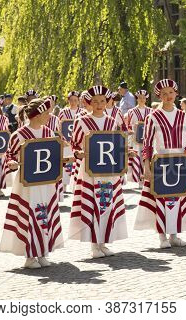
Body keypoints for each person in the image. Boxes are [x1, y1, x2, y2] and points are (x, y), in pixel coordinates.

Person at [135, 79, 186, 248]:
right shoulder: (153, 117)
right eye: (164, 94)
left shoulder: (183, 116)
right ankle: (162, 237)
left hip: (180, 161)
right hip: (161, 161)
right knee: (161, 199)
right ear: (159, 96)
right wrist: (146, 166)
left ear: (176, 94)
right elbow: (147, 143)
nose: (168, 96)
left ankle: (174, 235)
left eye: (171, 92)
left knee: (177, 198)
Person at [0, 98, 63, 268]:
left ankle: (42, 252)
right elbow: (9, 156)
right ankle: (29, 256)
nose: (50, 116)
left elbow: (54, 155)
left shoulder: (49, 132)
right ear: (37, 115)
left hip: (46, 181)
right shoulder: (18, 135)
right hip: (27, 183)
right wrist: (12, 164)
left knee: (45, 214)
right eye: (47, 113)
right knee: (29, 214)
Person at [69, 85, 128, 258]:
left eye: (102, 101)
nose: (99, 104)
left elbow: (117, 143)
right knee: (92, 203)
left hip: (109, 170)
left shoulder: (112, 121)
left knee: (107, 203)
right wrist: (78, 153)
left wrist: (124, 156)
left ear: (108, 102)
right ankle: (94, 245)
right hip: (90, 170)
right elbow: (74, 144)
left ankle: (104, 242)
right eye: (95, 101)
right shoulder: (82, 121)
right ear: (89, 102)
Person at [127, 89, 152, 187]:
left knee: (146, 157)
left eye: (144, 98)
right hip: (135, 139)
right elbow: (128, 126)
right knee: (138, 157)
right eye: (140, 98)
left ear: (146, 99)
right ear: (137, 99)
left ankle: (145, 179)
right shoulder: (131, 111)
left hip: (147, 139)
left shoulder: (150, 111)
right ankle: (138, 179)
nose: (142, 99)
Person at [58, 91, 82, 191]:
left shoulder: (82, 112)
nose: (73, 102)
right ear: (68, 100)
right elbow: (59, 127)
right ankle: (64, 184)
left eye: (75, 100)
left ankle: (75, 184)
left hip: (77, 142)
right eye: (71, 100)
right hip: (66, 142)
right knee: (66, 162)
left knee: (76, 162)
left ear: (78, 101)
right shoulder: (63, 112)